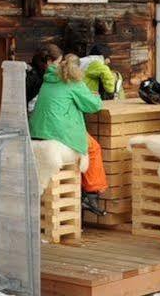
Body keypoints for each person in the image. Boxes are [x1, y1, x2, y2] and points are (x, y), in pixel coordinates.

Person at [29, 53, 108, 215]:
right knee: (93, 148)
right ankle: (92, 195)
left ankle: (81, 194)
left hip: (37, 131)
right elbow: (93, 106)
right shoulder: (73, 83)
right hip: (58, 133)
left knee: (87, 144)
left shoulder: (48, 81)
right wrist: (96, 97)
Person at [25, 41, 62, 110]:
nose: (58, 66)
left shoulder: (34, 71)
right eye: (58, 62)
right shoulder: (35, 76)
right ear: (49, 61)